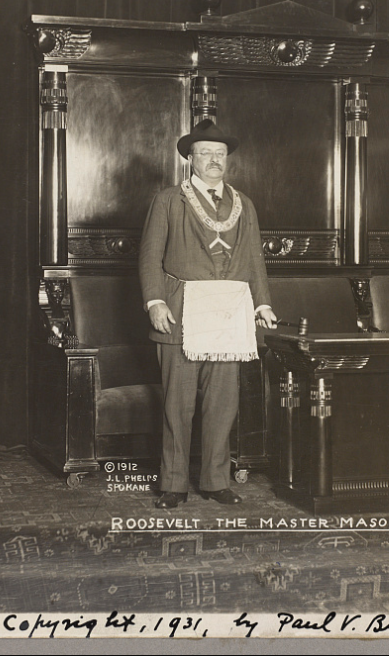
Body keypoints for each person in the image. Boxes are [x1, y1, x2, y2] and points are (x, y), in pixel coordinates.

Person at [138, 118, 278, 509]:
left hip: (229, 317)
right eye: (206, 153)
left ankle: (216, 480)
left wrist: (263, 303)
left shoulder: (243, 204)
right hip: (179, 313)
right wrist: (155, 301)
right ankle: (173, 483)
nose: (214, 160)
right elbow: (150, 256)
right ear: (190, 159)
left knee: (222, 403)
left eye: (220, 154)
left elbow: (254, 257)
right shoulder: (169, 199)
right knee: (176, 404)